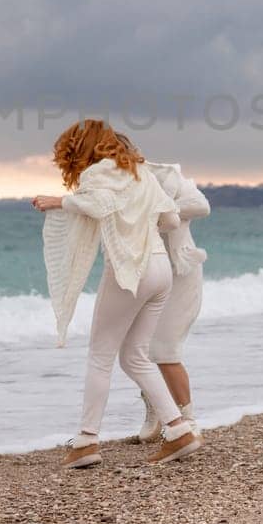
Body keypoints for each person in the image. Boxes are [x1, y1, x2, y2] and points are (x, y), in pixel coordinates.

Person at [32, 119, 201, 468]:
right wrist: (140, 223)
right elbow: (170, 219)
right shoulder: (141, 173)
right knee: (135, 357)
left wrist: (59, 202)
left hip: (131, 272)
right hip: (160, 270)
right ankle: (179, 429)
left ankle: (86, 441)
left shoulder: (97, 175)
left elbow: (99, 206)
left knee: (100, 356)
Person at [130, 152, 210, 444]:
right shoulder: (120, 185)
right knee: (139, 350)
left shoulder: (167, 177)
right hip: (146, 273)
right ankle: (156, 413)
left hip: (181, 273)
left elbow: (202, 206)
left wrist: (160, 207)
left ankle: (188, 419)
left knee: (165, 350)